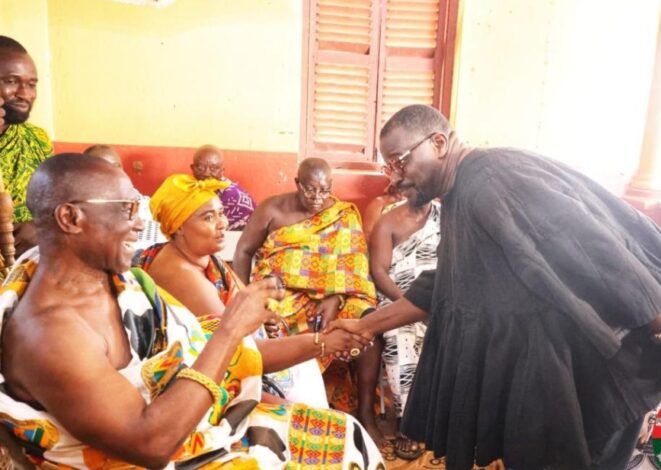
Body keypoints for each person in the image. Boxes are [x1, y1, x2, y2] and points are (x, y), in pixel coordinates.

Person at [327, 104, 661, 469]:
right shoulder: (462, 190)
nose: (395, 178)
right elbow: (449, 282)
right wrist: (366, 325)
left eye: (400, 161)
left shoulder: (493, 181)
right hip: (561, 381)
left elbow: (599, 250)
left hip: (603, 373)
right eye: (389, 167)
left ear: (438, 143)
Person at [0, 153, 383, 468]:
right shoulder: (50, 335)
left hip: (201, 426)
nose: (139, 224)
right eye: (126, 209)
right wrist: (231, 329)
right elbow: (150, 445)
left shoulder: (125, 286)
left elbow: (209, 355)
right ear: (70, 218)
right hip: (163, 452)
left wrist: (321, 342)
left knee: (344, 433)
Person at [135, 173, 346, 406]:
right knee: (311, 413)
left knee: (306, 371)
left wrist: (262, 320)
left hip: (239, 362)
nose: (223, 223)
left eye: (221, 213)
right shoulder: (180, 274)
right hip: (214, 383)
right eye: (208, 217)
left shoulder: (203, 259)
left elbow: (244, 318)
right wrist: (323, 342)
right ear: (179, 227)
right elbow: (239, 353)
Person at [233, 157, 377, 411]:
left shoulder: (343, 214)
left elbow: (353, 266)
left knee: (366, 320)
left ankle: (365, 412)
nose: (317, 198)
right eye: (310, 190)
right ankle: (278, 397)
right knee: (267, 322)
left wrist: (336, 298)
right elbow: (243, 251)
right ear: (297, 182)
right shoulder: (272, 209)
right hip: (279, 294)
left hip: (332, 296)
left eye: (325, 190)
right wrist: (242, 296)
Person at [358, 185, 441, 459]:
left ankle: (449, 417)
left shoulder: (446, 217)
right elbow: (379, 271)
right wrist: (410, 303)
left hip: (438, 298)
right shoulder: (388, 222)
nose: (421, 191)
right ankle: (408, 422)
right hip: (398, 297)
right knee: (400, 335)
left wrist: (433, 302)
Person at [0, 36, 52, 254]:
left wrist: (42, 228)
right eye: (11, 81)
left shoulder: (37, 139)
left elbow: (55, 204)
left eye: (31, 84)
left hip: (27, 264)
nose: (25, 94)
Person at [83, 144, 164, 250]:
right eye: (103, 168)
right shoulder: (86, 206)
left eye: (116, 166)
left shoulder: (139, 199)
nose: (113, 172)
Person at [191, 144, 256, 230]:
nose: (206, 173)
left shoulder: (233, 196)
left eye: (214, 168)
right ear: (192, 168)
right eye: (200, 167)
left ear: (222, 171)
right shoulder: (188, 187)